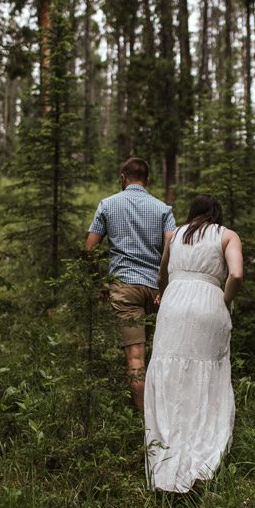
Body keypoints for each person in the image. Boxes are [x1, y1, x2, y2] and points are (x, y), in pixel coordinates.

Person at [144, 194, 243, 493]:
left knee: (169, 372)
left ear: (193, 212)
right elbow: (236, 273)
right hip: (208, 303)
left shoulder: (174, 235)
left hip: (174, 303)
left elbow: (162, 272)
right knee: (207, 375)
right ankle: (202, 456)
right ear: (218, 213)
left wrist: (167, 291)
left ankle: (166, 451)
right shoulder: (227, 235)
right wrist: (222, 299)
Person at [85, 158, 177, 411]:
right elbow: (173, 248)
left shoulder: (108, 204)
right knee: (167, 356)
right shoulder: (163, 210)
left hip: (124, 287)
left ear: (123, 177)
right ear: (147, 180)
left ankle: (145, 424)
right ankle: (169, 412)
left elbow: (90, 248)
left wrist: (101, 283)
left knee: (136, 360)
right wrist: (163, 285)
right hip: (158, 292)